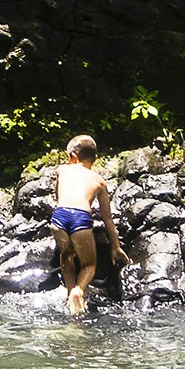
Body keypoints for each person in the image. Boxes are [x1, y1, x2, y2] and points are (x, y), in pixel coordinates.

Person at [49, 134, 117, 316]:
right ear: (94, 158)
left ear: (72, 156)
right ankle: (78, 291)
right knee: (88, 265)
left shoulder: (62, 170)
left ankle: (70, 295)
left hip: (59, 217)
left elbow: (58, 198)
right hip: (80, 218)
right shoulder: (99, 181)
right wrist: (115, 248)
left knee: (66, 254)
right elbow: (107, 218)